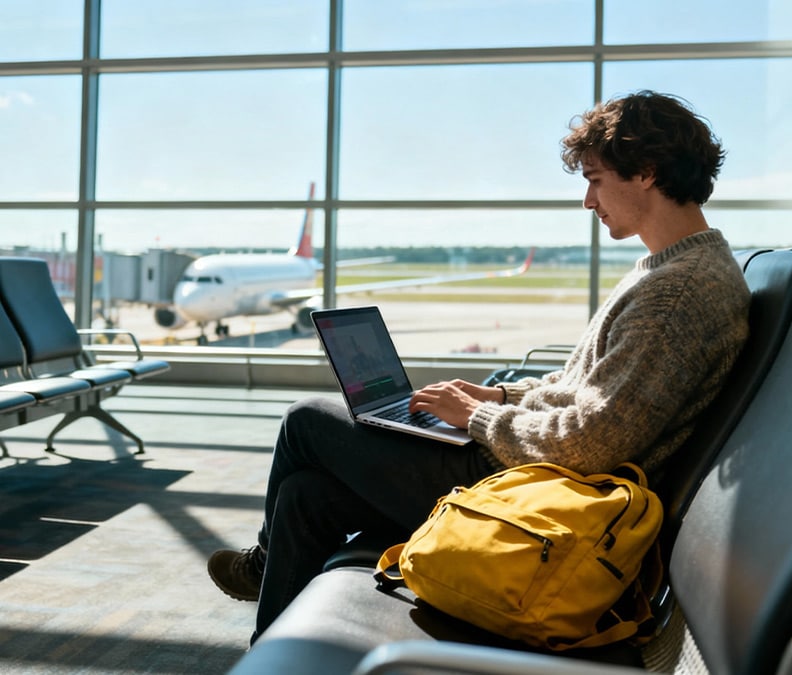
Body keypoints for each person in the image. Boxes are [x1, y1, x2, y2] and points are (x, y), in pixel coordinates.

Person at [207, 90, 751, 646]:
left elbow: (593, 443)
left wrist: (475, 419)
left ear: (646, 172)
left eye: (595, 178)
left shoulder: (679, 291)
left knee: (305, 419)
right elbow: (581, 392)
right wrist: (499, 399)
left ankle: (259, 567)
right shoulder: (670, 271)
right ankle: (268, 652)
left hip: (542, 507)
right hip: (539, 481)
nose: (588, 200)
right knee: (304, 494)